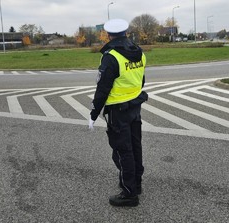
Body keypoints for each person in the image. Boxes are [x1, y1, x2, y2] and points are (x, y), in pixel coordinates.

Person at [89, 19, 148, 207]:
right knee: (135, 146)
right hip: (135, 106)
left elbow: (103, 88)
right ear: (126, 32)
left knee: (122, 152)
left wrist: (93, 113)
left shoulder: (111, 56)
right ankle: (136, 183)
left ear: (108, 35)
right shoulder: (138, 52)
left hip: (117, 110)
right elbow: (141, 80)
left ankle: (129, 193)